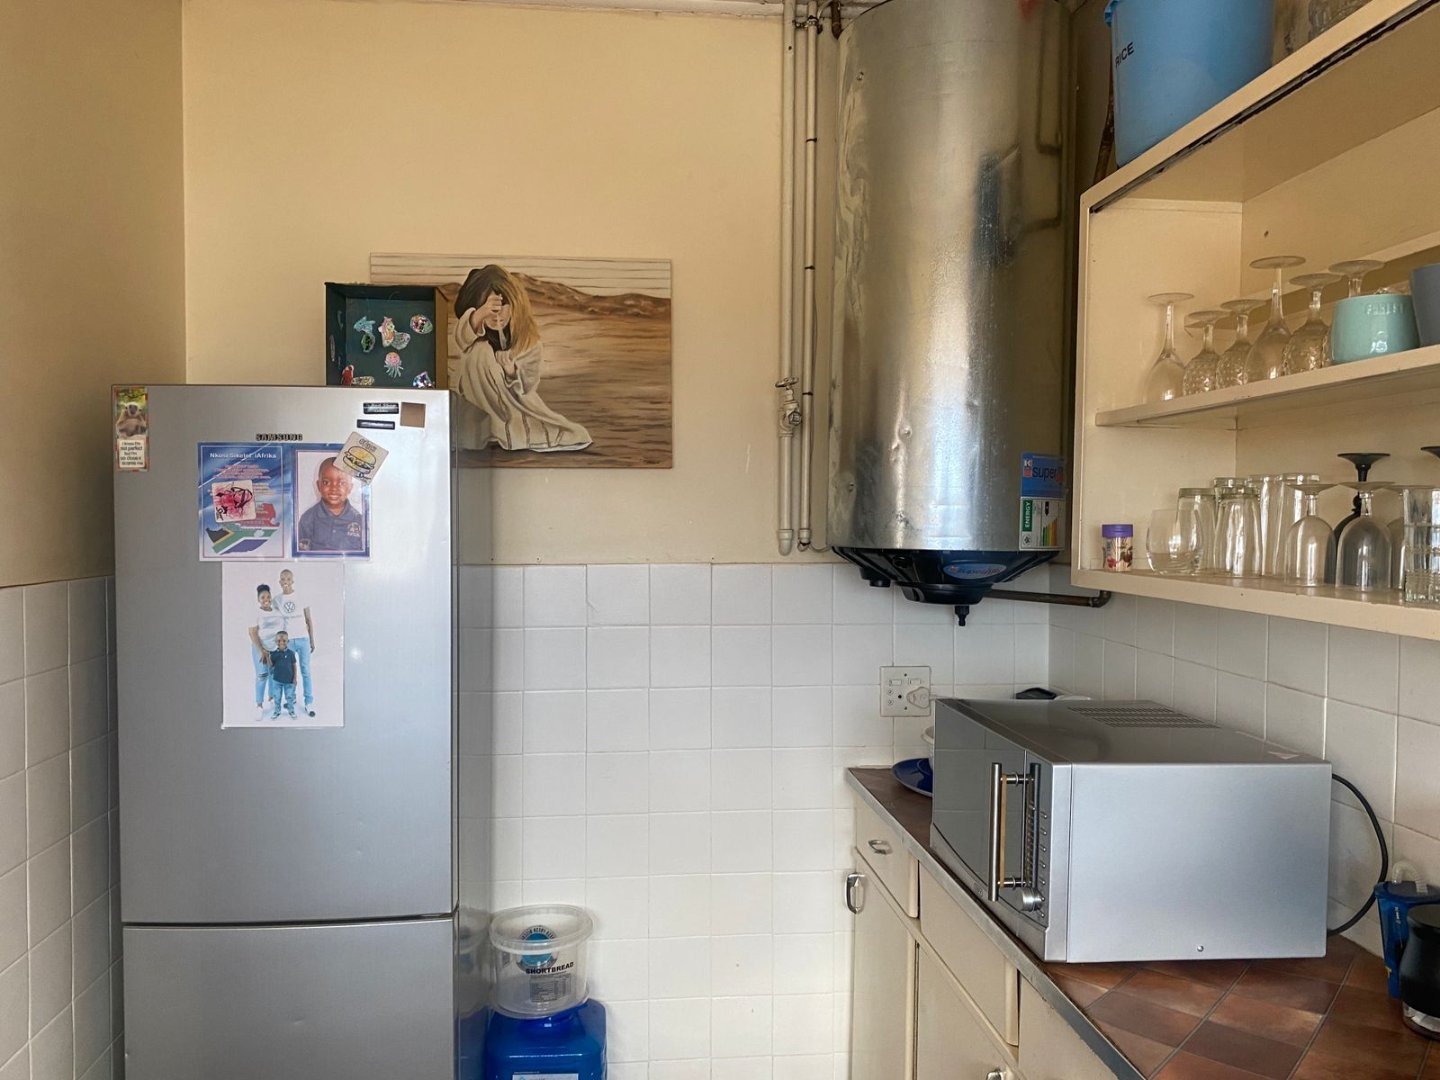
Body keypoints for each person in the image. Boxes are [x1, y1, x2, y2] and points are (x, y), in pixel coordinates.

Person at [453, 264, 592, 453]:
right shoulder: (476, 342)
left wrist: (511, 371)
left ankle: (503, 427)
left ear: (515, 306)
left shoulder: (529, 343)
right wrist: (481, 313)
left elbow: (527, 386)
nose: (496, 315)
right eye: (490, 308)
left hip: (516, 406)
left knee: (564, 433)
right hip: (478, 406)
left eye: (503, 307)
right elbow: (461, 339)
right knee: (480, 352)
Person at [297, 457, 365, 553]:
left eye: (342, 483)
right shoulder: (308, 519)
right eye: (326, 482)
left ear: (350, 487)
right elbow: (301, 555)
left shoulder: (360, 520)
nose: (334, 488)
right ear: (318, 485)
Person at [274, 568, 316, 718]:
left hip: (303, 639)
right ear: (279, 582)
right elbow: (275, 620)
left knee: (305, 671)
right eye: (283, 579)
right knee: (289, 672)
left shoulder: (301, 596)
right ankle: (291, 699)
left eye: (288, 579)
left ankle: (309, 702)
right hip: (288, 641)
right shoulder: (277, 600)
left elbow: (308, 619)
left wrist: (311, 639)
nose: (285, 582)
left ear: (292, 581)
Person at [246, 584, 286, 721]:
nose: (266, 599)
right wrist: (261, 650)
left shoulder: (277, 612)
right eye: (262, 597)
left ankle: (272, 698)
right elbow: (252, 633)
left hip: (275, 649)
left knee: (273, 675)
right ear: (258, 599)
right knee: (262, 675)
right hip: (260, 648)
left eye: (268, 596)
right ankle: (259, 705)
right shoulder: (256, 613)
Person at [267, 631, 299, 720]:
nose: (281, 643)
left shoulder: (291, 653)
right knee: (277, 697)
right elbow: (271, 666)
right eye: (279, 641)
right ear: (275, 642)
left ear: (288, 641)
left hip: (289, 681)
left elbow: (294, 666)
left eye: (284, 641)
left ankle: (291, 711)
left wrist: (295, 678)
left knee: (290, 697)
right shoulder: (273, 654)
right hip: (277, 681)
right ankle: (277, 711)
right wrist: (267, 657)